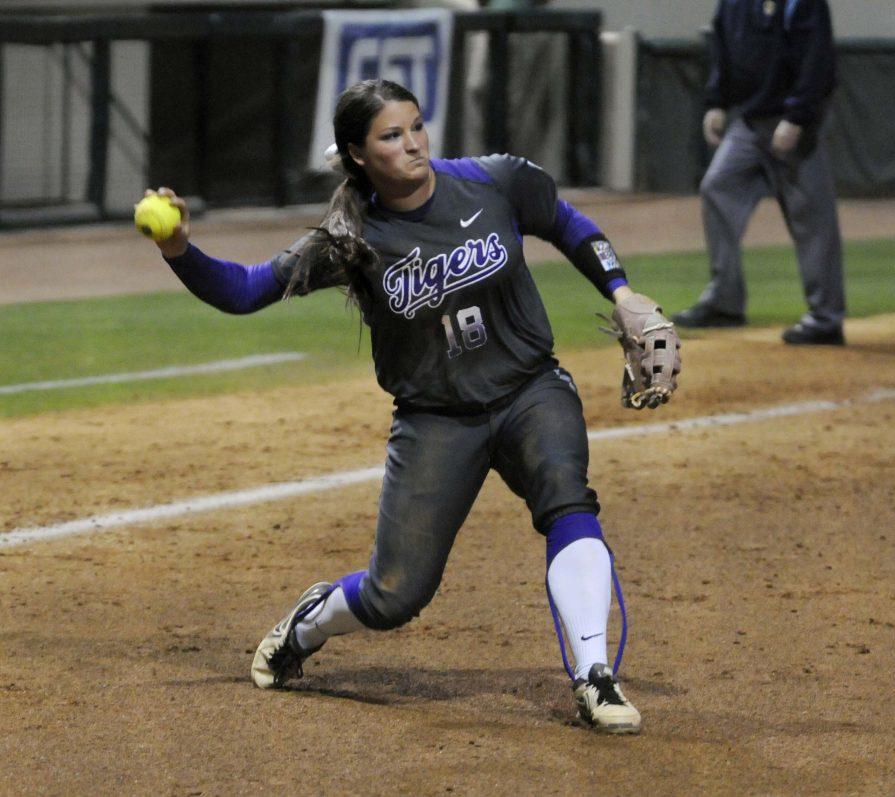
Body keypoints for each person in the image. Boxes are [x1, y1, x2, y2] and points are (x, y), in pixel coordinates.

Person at [140, 79, 681, 734]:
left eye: (416, 126)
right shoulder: (351, 238)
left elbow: (567, 223)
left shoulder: (494, 180)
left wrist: (620, 291)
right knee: (394, 594)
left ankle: (595, 676)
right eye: (391, 136)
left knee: (567, 497)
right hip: (435, 419)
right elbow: (245, 290)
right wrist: (179, 251)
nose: (413, 143)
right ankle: (308, 622)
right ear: (357, 154)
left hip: (530, 388)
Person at [672, 0, 846, 346]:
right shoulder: (734, 4)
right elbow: (723, 51)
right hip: (750, 125)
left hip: (793, 125)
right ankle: (725, 302)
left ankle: (826, 318)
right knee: (717, 187)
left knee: (813, 219)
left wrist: (798, 116)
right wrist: (717, 102)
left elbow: (817, 61)